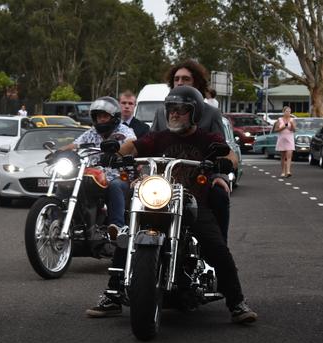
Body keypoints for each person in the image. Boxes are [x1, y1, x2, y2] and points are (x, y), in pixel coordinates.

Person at [86, 86, 257, 324]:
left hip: (193, 204)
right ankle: (113, 295)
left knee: (217, 249)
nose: (174, 114)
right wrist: (115, 153)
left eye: (181, 110)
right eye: (171, 110)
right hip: (158, 200)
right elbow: (134, 146)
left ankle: (236, 302)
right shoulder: (159, 137)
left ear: (194, 114)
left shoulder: (207, 139)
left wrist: (227, 163)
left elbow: (229, 155)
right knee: (128, 238)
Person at [150, 60, 230, 243]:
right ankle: (125, 256)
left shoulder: (212, 113)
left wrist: (220, 175)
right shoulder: (161, 112)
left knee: (219, 195)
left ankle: (220, 247)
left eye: (186, 79)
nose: (180, 82)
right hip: (166, 179)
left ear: (197, 84)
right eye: (176, 79)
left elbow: (222, 149)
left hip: (201, 178)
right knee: (135, 195)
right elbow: (151, 144)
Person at [60, 96, 136, 252]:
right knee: (68, 182)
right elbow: (75, 144)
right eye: (98, 116)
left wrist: (116, 155)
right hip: (92, 175)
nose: (101, 120)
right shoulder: (91, 133)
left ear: (114, 117)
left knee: (115, 185)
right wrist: (58, 153)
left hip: (118, 175)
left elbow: (132, 142)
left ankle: (118, 228)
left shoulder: (123, 130)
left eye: (104, 116)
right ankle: (61, 218)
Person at [275, 106, 296, 177]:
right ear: (283, 112)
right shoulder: (279, 119)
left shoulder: (292, 120)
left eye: (289, 111)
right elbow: (276, 130)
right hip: (282, 139)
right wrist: (284, 127)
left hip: (289, 139)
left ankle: (288, 171)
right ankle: (283, 171)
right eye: (286, 111)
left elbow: (294, 130)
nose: (288, 113)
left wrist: (292, 125)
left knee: (289, 155)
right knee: (283, 157)